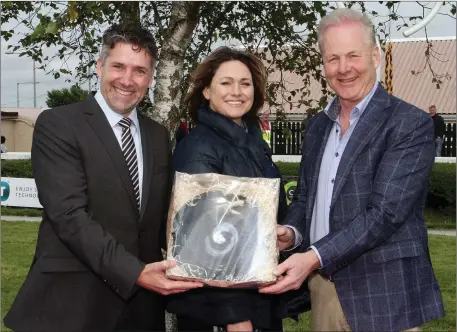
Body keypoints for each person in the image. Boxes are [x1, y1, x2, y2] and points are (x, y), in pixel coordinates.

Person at [4, 24, 202, 332]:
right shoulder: (58, 125)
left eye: (139, 71)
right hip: (73, 306)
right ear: (99, 67)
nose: (127, 79)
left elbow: (163, 217)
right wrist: (135, 272)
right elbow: (69, 216)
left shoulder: (157, 135)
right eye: (118, 66)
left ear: (150, 78)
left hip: (141, 311)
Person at [260, 8, 445, 332]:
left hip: (384, 292)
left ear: (374, 55)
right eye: (333, 58)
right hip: (326, 289)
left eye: (352, 56)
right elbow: (306, 199)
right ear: (323, 64)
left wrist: (314, 256)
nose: (343, 69)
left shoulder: (409, 124)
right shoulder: (318, 126)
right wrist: (292, 233)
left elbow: (385, 213)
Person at [168, 47, 287, 332]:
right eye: (226, 83)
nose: (237, 91)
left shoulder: (253, 143)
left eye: (245, 83)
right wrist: (233, 316)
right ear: (207, 91)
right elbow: (204, 246)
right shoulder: (199, 148)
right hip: (223, 315)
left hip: (257, 297)